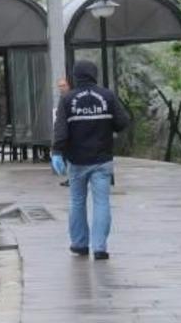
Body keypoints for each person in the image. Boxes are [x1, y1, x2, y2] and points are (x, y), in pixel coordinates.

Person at [52, 60, 129, 260]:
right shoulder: (107, 96)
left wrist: (57, 152)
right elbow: (122, 122)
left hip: (76, 162)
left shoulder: (68, 99)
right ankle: (100, 248)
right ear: (94, 74)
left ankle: (79, 245)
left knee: (77, 202)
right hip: (102, 160)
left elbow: (60, 130)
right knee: (102, 203)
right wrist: (106, 125)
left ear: (75, 76)